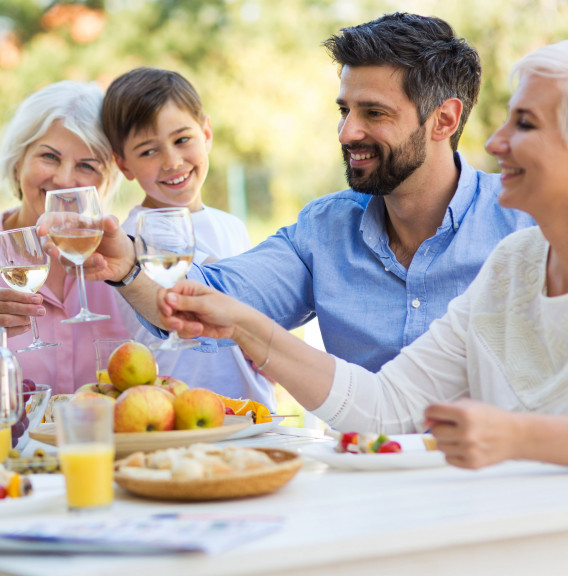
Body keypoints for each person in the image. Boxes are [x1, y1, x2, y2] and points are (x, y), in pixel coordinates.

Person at [159, 40, 568, 470]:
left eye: (525, 123)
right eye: (345, 112)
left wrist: (517, 436)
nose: (496, 141)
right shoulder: (512, 263)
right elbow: (385, 406)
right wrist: (242, 325)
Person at [62, 13, 535, 375]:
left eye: (374, 112)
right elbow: (213, 302)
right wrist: (127, 267)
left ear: (444, 120)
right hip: (364, 481)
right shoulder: (323, 231)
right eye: (345, 109)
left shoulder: (530, 224)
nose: (348, 132)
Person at [0, 81, 129, 394]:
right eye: (49, 157)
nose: (64, 179)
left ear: (107, 181)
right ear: (18, 163)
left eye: (86, 165)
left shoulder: (123, 259)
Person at [99, 67, 273, 405]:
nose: (172, 161)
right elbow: (223, 298)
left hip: (250, 410)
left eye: (182, 140)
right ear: (124, 165)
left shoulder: (232, 226)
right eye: (149, 151)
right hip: (175, 412)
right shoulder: (130, 238)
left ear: (206, 133)